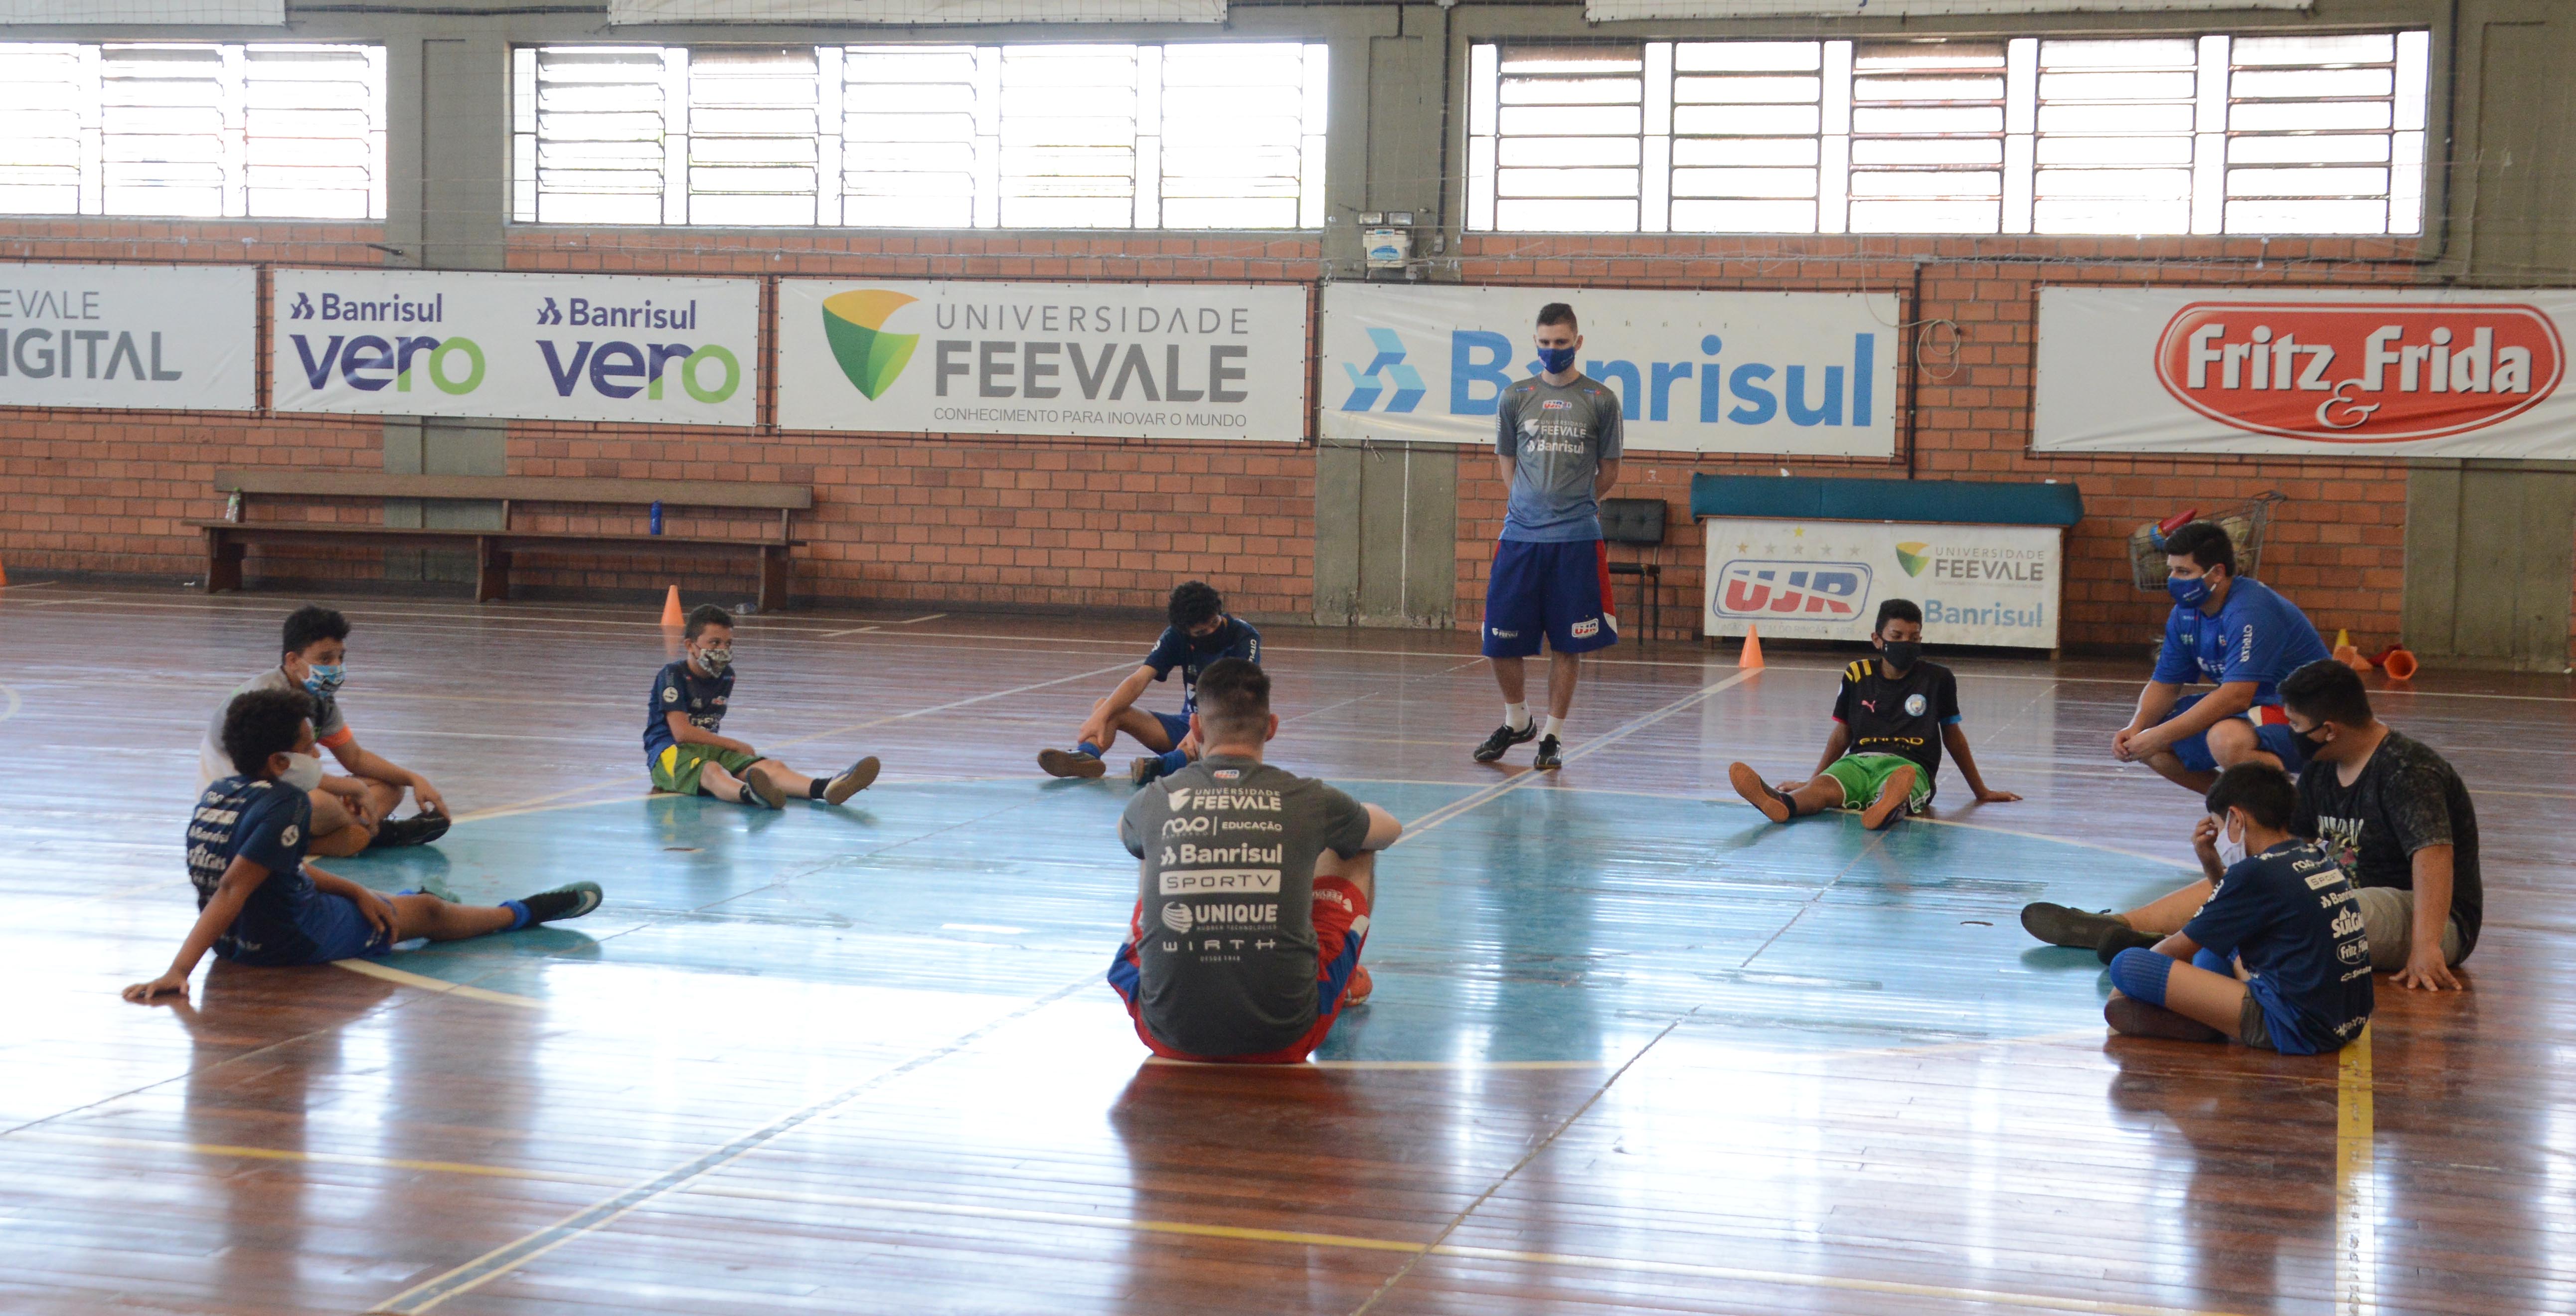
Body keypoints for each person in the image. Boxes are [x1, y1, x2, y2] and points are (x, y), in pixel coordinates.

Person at [2022, 660, 2481, 992]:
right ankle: (2119, 926)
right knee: (2258, 883)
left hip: (2423, 913)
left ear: (2331, 729)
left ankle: (2180, 946)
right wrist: (2222, 870)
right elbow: (2287, 850)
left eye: (2296, 724)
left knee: (2296, 909)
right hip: (2342, 895)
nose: (2291, 734)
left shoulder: (2406, 770)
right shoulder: (2326, 764)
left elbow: (2434, 856)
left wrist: (2427, 948)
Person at [125, 687, 603, 1001]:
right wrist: (177, 971)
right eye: (309, 749)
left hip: (234, 945)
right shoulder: (286, 805)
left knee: (378, 900)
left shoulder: (218, 794)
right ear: (278, 761)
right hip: (292, 938)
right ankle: (522, 912)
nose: (317, 756)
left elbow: (262, 871)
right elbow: (233, 888)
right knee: (428, 917)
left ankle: (413, 901)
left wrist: (354, 891)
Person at [1106, 658, 1403, 1063]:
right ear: (1272, 727)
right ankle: (1343, 980)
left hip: (1166, 1031)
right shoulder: (1308, 798)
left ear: (1195, 728)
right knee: (1356, 844)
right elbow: (1390, 830)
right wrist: (1353, 815)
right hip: (1283, 1035)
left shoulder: (1157, 795)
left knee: (1152, 842)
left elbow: (1126, 834)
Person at [2101, 764, 2373, 1055]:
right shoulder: (2313, 855)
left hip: (2296, 1027)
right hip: (2345, 1021)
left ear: (2237, 819)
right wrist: (2210, 863)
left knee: (2128, 964)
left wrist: (2120, 996)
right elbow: (2228, 914)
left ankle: (2208, 1022)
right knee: (2212, 947)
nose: (2218, 837)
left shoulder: (2257, 872)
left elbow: (2171, 951)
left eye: (2218, 827)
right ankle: (2207, 1017)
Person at [1471, 301, 1622, 772]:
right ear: (1535, 343)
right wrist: (1530, 507)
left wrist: (1575, 504)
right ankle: (1518, 720)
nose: (1552, 350)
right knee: (1500, 639)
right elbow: (1508, 465)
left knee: (1568, 644)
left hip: (1576, 540)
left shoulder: (1601, 400)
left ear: (1577, 343)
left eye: (1561, 343)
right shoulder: (1515, 396)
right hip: (1520, 538)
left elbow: (1610, 470)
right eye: (1544, 343)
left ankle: (1552, 736)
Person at [1727, 599, 2019, 830]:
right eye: (1897, 636)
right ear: (1878, 640)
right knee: (1825, 788)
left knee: (1899, 785)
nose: (1907, 643)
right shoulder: (1857, 674)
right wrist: (1812, 779)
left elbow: (1953, 737)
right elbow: (1843, 733)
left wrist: (1981, 791)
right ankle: (1783, 804)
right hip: (1858, 761)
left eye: (1914, 637)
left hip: (1910, 766)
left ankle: (1886, 806)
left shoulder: (1938, 679)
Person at [197, 604, 448, 856]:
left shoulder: (320, 698)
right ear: (293, 661)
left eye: (341, 657)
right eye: (325, 659)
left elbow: (355, 758)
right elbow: (279, 771)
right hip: (237, 805)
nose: (336, 667)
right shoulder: (268, 701)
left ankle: (354, 834)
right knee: (318, 803)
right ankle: (369, 833)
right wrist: (352, 789)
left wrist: (414, 779)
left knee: (391, 786)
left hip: (282, 789)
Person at [2111, 521, 2332, 794]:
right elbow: (2165, 684)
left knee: (2225, 739)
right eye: (2171, 570)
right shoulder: (2184, 614)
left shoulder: (2250, 610)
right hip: (2258, 707)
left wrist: (2157, 736)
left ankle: (2291, 812)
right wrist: (2137, 728)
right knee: (2151, 742)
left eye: (2183, 571)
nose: (2173, 580)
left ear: (2217, 573)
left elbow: (2236, 696)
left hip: (2311, 716)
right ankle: (2233, 803)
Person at [645, 605, 880, 809]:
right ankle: (750, 795)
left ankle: (824, 788)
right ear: (690, 645)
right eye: (714, 643)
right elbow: (682, 733)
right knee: (712, 772)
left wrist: (732, 751)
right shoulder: (672, 675)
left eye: (728, 643)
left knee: (770, 767)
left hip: (708, 747)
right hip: (671, 751)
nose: (722, 650)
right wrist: (734, 744)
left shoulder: (727, 676)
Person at [1038, 580, 1262, 788]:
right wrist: (1101, 716)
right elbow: (1139, 679)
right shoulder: (1176, 636)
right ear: (1186, 632)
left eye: (1214, 622)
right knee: (1107, 706)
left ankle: (1164, 766)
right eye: (1202, 632)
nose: (1212, 632)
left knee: (1205, 732)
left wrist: (1204, 725)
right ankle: (1086, 757)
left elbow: (1238, 694)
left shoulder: (1244, 636)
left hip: (1227, 727)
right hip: (1188, 725)